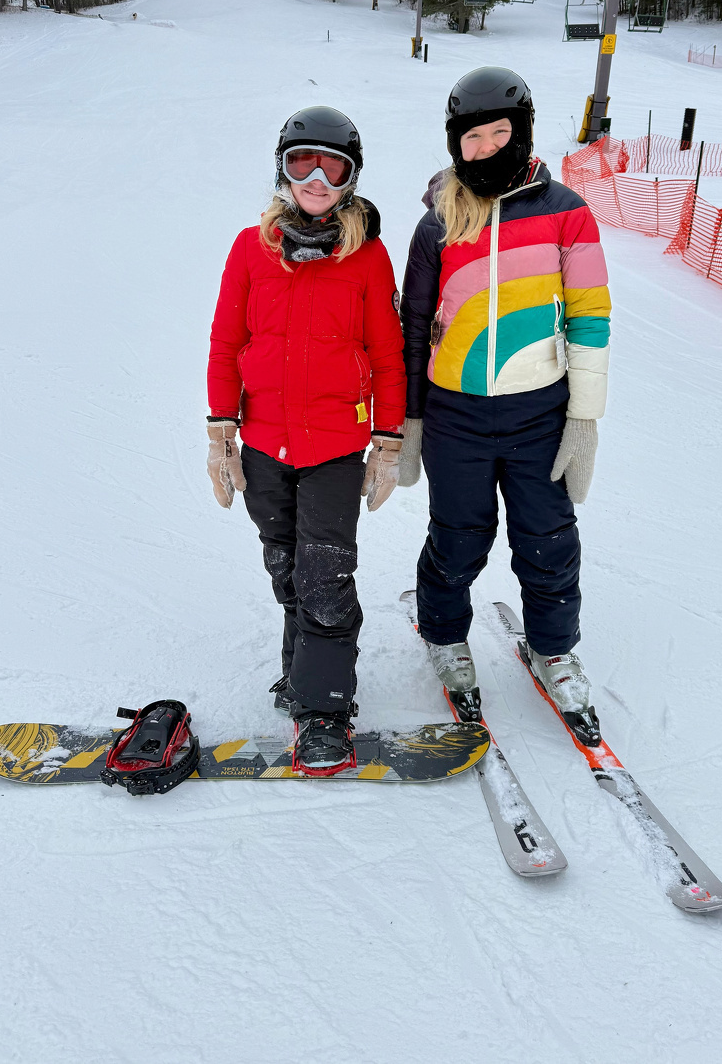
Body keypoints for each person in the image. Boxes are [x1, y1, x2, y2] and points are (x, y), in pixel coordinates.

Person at [398, 67, 611, 743]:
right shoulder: (437, 220)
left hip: (538, 412)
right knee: (458, 537)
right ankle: (444, 634)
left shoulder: (565, 211)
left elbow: (590, 319)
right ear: (455, 142)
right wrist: (410, 418)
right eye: (473, 136)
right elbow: (413, 325)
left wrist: (583, 415)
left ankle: (553, 649)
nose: (487, 147)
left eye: (500, 133)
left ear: (522, 131)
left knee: (548, 539)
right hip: (456, 415)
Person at [206, 105, 407, 775]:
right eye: (302, 162)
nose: (316, 179)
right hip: (264, 444)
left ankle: (324, 709)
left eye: (333, 166)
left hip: (333, 448)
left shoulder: (367, 256)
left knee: (324, 574)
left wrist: (386, 443)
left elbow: (387, 354)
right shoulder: (249, 248)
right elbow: (227, 343)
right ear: (281, 169)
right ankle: (301, 670)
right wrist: (220, 429)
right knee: (287, 568)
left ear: (351, 179)